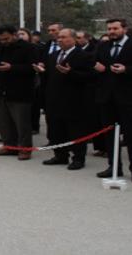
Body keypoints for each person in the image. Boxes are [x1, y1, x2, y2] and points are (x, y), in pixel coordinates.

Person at [94, 18, 132, 184]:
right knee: (110, 135)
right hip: (107, 98)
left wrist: (127, 70)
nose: (112, 31)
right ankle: (114, 166)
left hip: (130, 98)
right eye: (109, 29)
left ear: (124, 29)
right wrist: (98, 68)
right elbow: (97, 65)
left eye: (115, 28)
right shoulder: (103, 46)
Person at [34, 28, 94, 169]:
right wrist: (41, 71)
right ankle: (60, 155)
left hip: (75, 101)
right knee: (56, 130)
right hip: (54, 100)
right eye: (58, 37)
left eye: (63, 37)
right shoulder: (53, 55)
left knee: (76, 131)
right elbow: (49, 77)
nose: (59, 39)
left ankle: (78, 158)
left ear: (73, 39)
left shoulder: (83, 55)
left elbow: (90, 77)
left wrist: (71, 73)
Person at [0, 25, 38, 160]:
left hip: (20, 91)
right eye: (1, 39)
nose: (3, 42)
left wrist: (12, 67)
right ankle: (9, 145)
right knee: (3, 121)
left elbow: (32, 68)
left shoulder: (28, 48)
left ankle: (25, 149)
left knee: (22, 123)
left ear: (14, 34)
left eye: (6, 39)